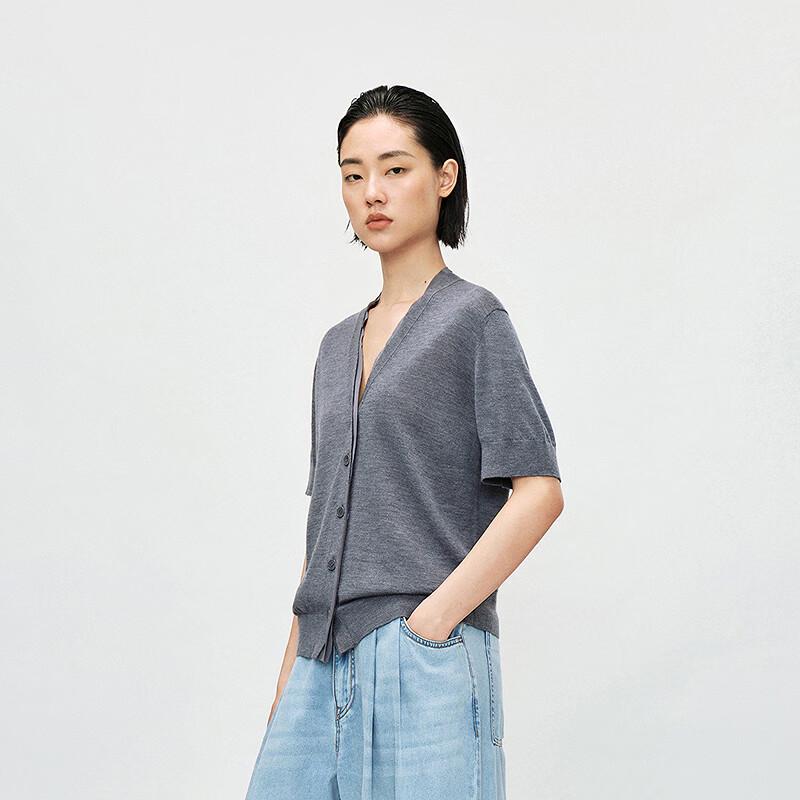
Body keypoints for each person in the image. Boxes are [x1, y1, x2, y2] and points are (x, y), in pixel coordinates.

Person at [244, 84, 564, 800]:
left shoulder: (473, 320)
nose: (372, 193)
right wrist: (287, 685)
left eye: (395, 168)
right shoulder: (335, 347)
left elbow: (539, 492)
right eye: (353, 174)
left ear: (444, 177)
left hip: (421, 655)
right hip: (319, 658)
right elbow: (325, 527)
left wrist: (431, 623)